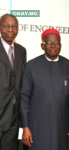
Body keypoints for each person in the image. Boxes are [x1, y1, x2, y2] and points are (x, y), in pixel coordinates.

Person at [20, 28, 69, 150]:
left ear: (60, 45)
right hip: (38, 126)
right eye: (49, 43)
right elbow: (24, 97)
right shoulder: (31, 65)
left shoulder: (68, 65)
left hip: (62, 125)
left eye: (56, 43)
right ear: (42, 45)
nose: (53, 46)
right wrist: (25, 127)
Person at [0, 14, 26, 150]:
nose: (10, 29)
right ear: (0, 28)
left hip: (14, 117)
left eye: (14, 26)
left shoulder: (22, 51)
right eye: (6, 26)